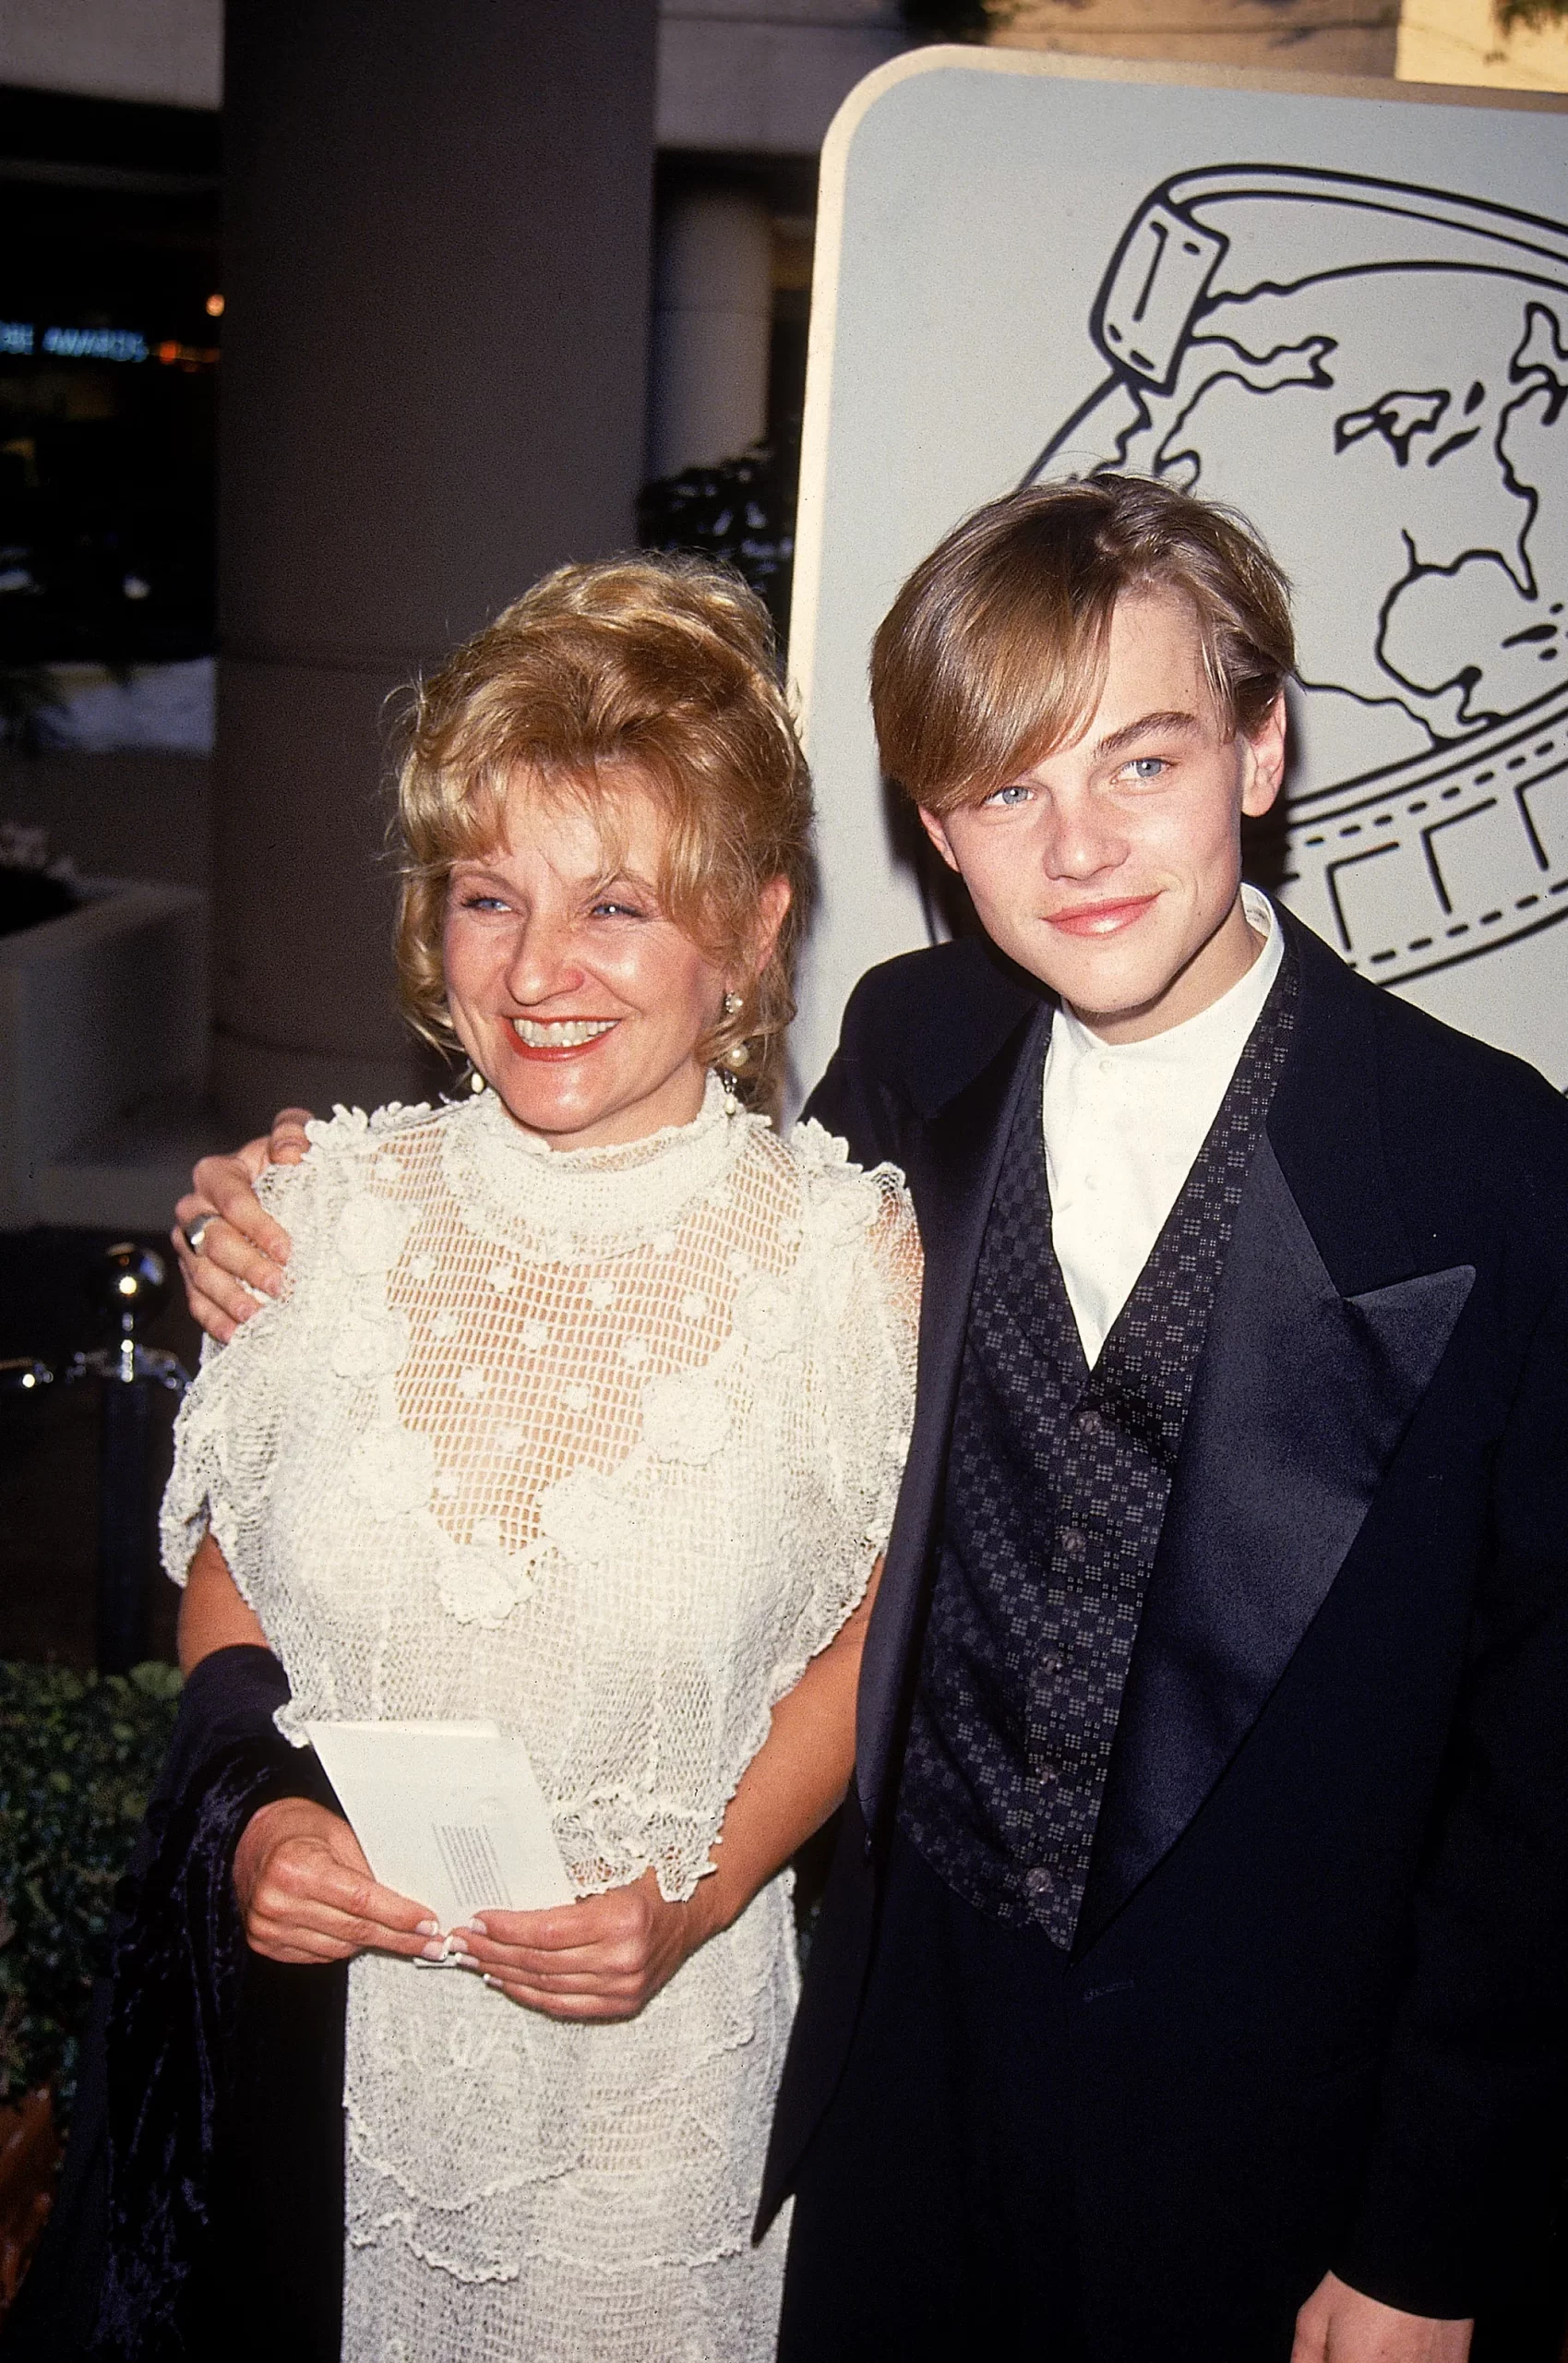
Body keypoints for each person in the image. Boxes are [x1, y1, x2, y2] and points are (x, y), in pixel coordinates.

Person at [182, 477, 1568, 2362]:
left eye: (1140, 762)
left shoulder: (1493, 1172)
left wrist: (1431, 2236)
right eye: (1007, 789)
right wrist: (267, 1205)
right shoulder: (918, 1056)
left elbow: (1538, 1775)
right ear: (936, 827)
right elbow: (635, 1239)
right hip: (892, 2109)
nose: (1074, 846)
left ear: (1260, 746)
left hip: (1272, 2161)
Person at [123, 555, 921, 2362]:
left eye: (618, 904)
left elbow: (880, 1629)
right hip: (314, 2087)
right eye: (490, 895)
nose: (539, 971)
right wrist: (256, 1821)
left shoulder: (844, 1260)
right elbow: (233, 1575)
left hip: (658, 2112)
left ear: (750, 926)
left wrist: (701, 1889)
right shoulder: (316, 1210)